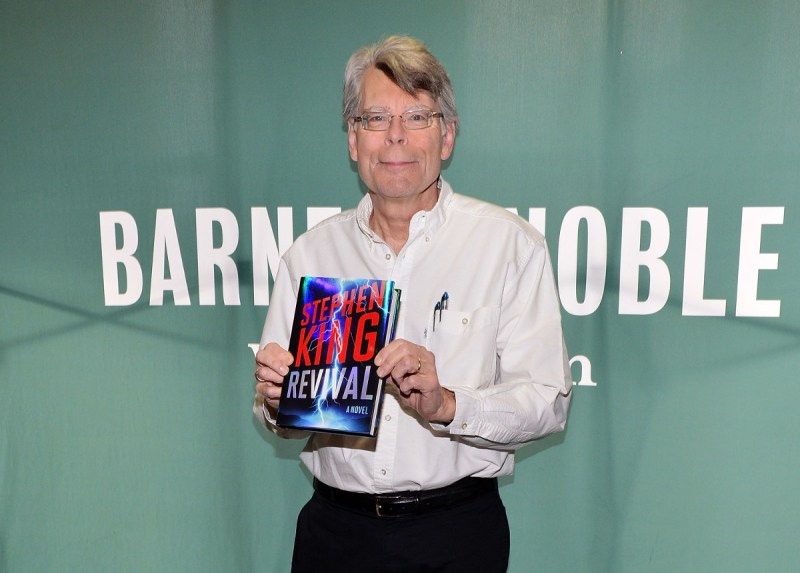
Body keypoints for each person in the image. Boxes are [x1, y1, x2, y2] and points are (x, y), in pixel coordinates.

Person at [253, 35, 572, 573]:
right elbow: (281, 419)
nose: (395, 136)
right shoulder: (309, 255)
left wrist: (447, 405)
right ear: (353, 139)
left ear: (446, 137)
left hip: (455, 534)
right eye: (375, 118)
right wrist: (276, 400)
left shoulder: (509, 245)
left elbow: (548, 400)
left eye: (417, 117)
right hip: (335, 534)